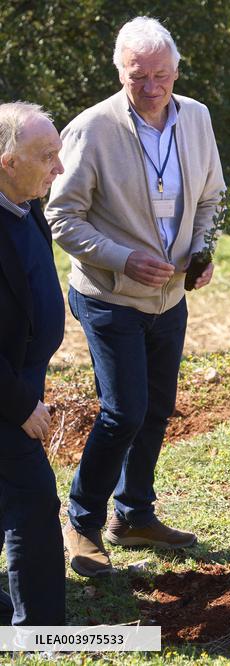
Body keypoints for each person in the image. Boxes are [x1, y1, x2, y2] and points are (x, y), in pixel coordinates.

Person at [46, 16, 225, 577]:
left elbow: (211, 198)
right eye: (137, 76)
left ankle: (136, 515)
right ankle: (81, 522)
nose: (151, 88)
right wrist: (123, 258)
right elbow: (60, 215)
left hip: (170, 297)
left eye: (162, 75)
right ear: (118, 71)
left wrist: (199, 252)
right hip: (108, 295)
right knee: (123, 413)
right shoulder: (90, 129)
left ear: (177, 70)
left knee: (156, 410)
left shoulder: (195, 117)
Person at [0, 101, 66, 625]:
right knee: (34, 502)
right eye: (46, 156)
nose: (57, 168)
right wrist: (23, 404)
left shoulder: (27, 207)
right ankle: (42, 632)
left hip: (22, 382)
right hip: (7, 396)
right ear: (7, 160)